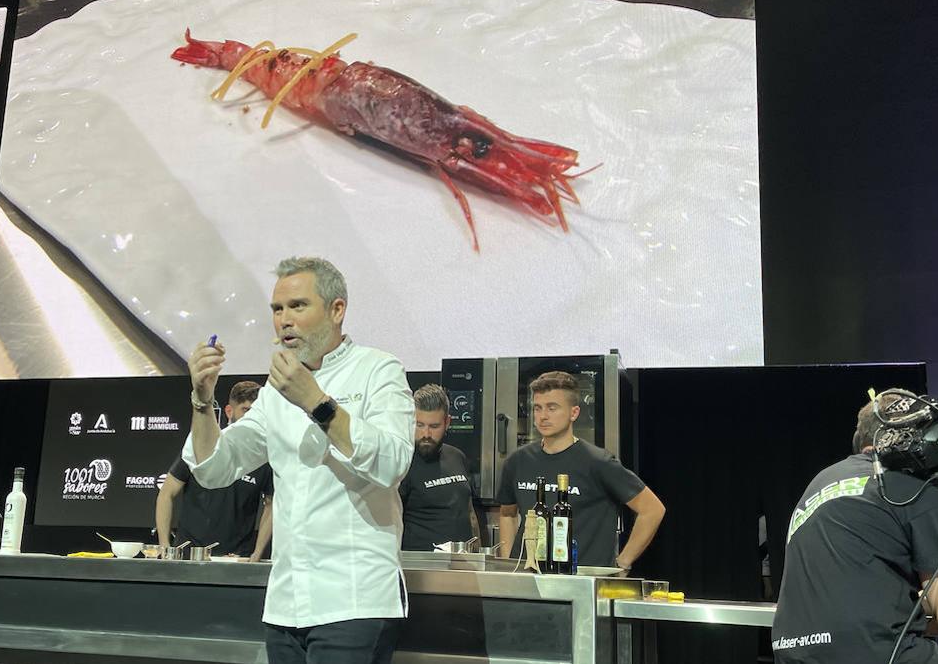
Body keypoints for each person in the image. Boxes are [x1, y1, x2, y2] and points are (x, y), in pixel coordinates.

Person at [183, 256, 413, 664]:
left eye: (298, 306)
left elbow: (392, 463)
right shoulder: (274, 393)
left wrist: (315, 401)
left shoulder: (379, 370)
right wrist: (202, 401)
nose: (284, 320)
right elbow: (215, 468)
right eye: (277, 309)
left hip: (354, 600)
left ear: (337, 310)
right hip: (286, 604)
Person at [773, 389, 938, 663]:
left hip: (792, 653)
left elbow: (856, 608)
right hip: (871, 653)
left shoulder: (821, 481)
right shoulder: (919, 491)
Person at [496, 371, 665, 570]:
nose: (543, 416)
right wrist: (508, 563)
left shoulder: (598, 462)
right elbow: (507, 514)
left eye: (552, 408)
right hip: (527, 580)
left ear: (574, 413)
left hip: (583, 581)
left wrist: (623, 562)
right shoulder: (517, 461)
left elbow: (652, 509)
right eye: (538, 408)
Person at [156, 380, 273, 560]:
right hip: (190, 554)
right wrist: (164, 545)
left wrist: (257, 552)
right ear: (229, 411)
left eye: (256, 413)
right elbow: (166, 493)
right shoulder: (202, 446)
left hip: (236, 557)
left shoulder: (264, 456)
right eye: (246, 411)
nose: (252, 419)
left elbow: (271, 505)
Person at [398, 384, 480, 551]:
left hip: (461, 565)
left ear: (447, 422)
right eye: (419, 425)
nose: (426, 434)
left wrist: (477, 553)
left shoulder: (457, 457)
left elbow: (469, 512)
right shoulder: (401, 463)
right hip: (419, 567)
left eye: (434, 426)